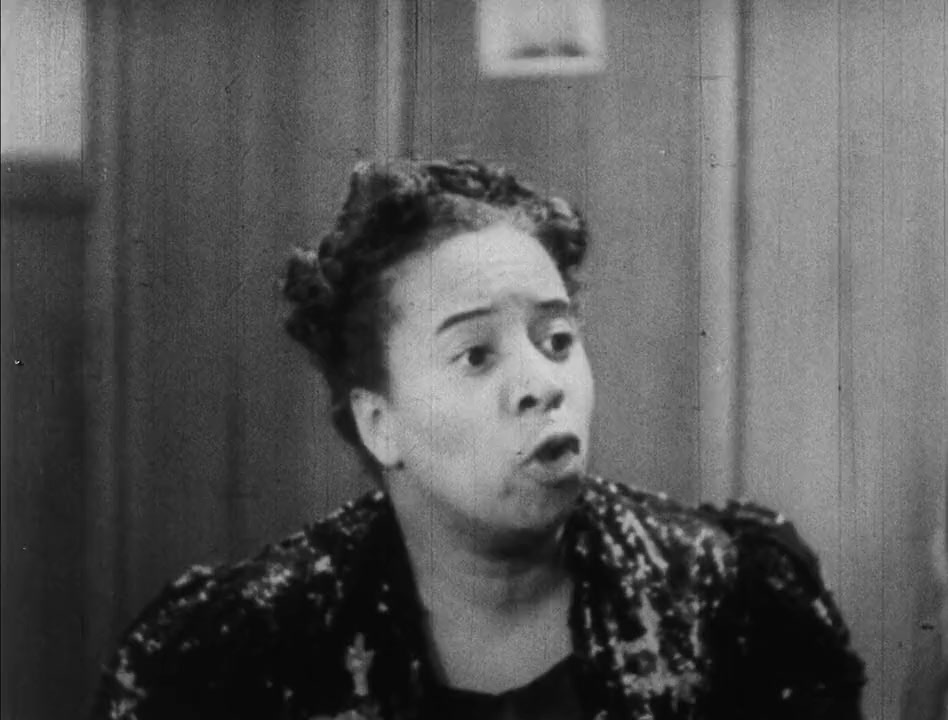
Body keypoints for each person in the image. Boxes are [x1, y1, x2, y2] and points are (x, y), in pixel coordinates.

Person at [91, 158, 866, 719]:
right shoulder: (242, 649)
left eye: (557, 340)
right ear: (379, 423)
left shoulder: (726, 596)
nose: (542, 384)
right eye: (475, 355)